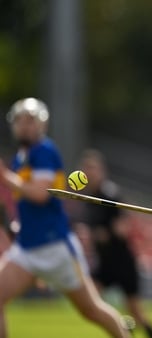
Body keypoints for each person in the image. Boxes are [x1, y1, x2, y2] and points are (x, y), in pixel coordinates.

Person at [0, 98, 129, 338]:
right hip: (27, 248)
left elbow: (40, 194)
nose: (25, 126)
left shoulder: (44, 152)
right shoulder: (21, 158)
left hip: (56, 247)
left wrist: (5, 177)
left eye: (31, 121)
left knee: (91, 310)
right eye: (20, 121)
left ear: (42, 125)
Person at [74, 149, 152, 338]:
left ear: (101, 171)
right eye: (86, 170)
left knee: (136, 312)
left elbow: (123, 227)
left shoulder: (109, 194)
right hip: (105, 262)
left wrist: (101, 235)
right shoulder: (89, 198)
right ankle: (121, 327)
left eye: (93, 169)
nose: (89, 173)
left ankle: (137, 330)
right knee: (91, 300)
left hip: (122, 262)